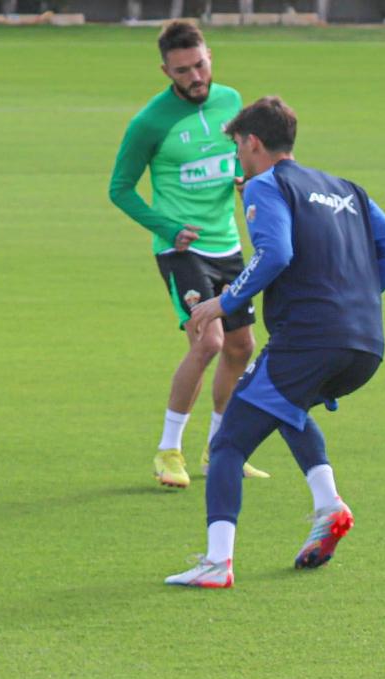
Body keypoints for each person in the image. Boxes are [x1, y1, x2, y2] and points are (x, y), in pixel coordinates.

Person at [165, 97, 385, 589]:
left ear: (253, 142)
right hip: (366, 345)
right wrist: (350, 299)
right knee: (284, 408)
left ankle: (216, 563)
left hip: (310, 339)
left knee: (230, 442)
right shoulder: (348, 189)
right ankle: (328, 505)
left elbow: (276, 252)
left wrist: (225, 300)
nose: (238, 158)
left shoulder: (266, 184)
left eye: (238, 146)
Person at [109, 19, 270, 490]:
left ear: (210, 57)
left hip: (228, 243)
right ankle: (167, 451)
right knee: (209, 342)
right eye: (182, 71)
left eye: (199, 65)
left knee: (242, 347)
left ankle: (221, 450)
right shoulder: (149, 123)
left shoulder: (231, 101)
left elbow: (240, 158)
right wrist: (167, 228)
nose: (194, 77)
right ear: (166, 70)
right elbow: (120, 189)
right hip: (183, 251)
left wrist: (244, 180)